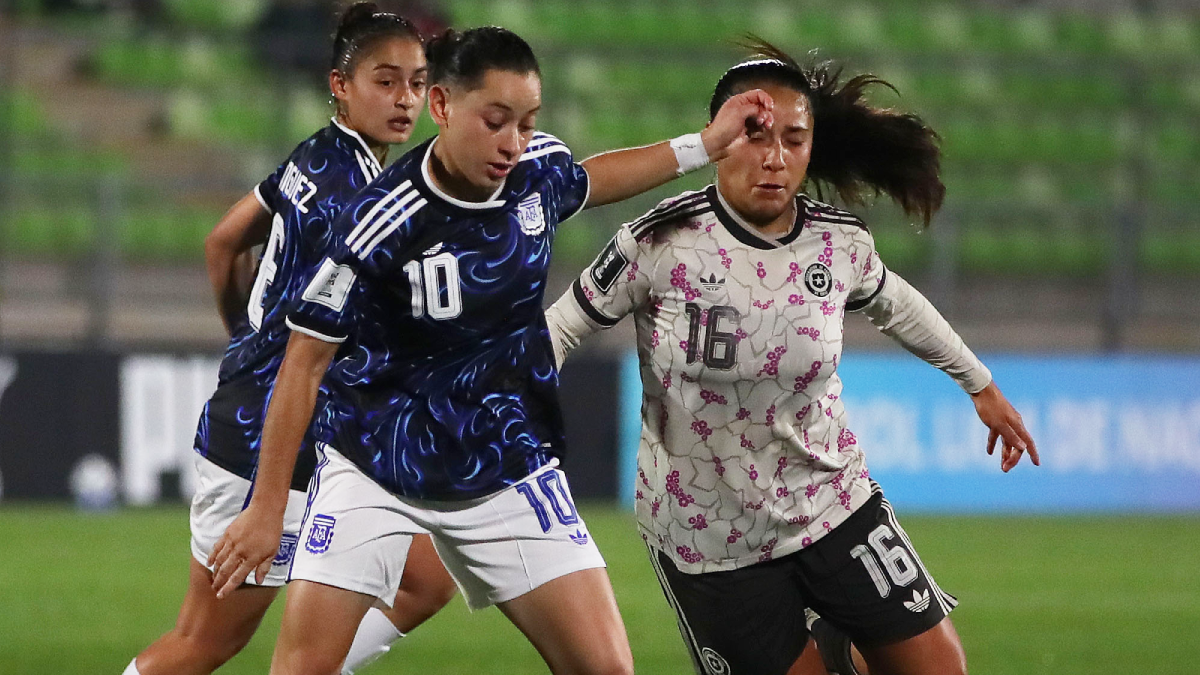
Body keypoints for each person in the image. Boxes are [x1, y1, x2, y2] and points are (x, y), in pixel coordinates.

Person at [206, 25, 775, 675]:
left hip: (505, 461)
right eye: (496, 120)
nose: (513, 143)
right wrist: (268, 505)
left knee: (609, 668)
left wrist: (703, 145)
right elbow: (303, 362)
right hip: (376, 463)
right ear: (443, 107)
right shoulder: (376, 220)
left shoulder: (535, 174)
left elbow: (585, 180)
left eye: (527, 122)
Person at [544, 39, 1040, 675]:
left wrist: (981, 385)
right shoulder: (658, 242)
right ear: (719, 138)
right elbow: (557, 330)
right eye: (754, 136)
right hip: (710, 535)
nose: (775, 158)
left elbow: (898, 305)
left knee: (940, 667)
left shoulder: (840, 245)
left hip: (830, 500)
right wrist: (510, 415)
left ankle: (840, 643)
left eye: (794, 140)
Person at [121, 6, 456, 675]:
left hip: (288, 423)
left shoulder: (318, 155)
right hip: (270, 444)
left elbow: (224, 242)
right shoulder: (361, 196)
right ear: (340, 84)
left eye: (416, 83)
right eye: (385, 81)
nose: (405, 100)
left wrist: (247, 339)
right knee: (203, 641)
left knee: (427, 576)